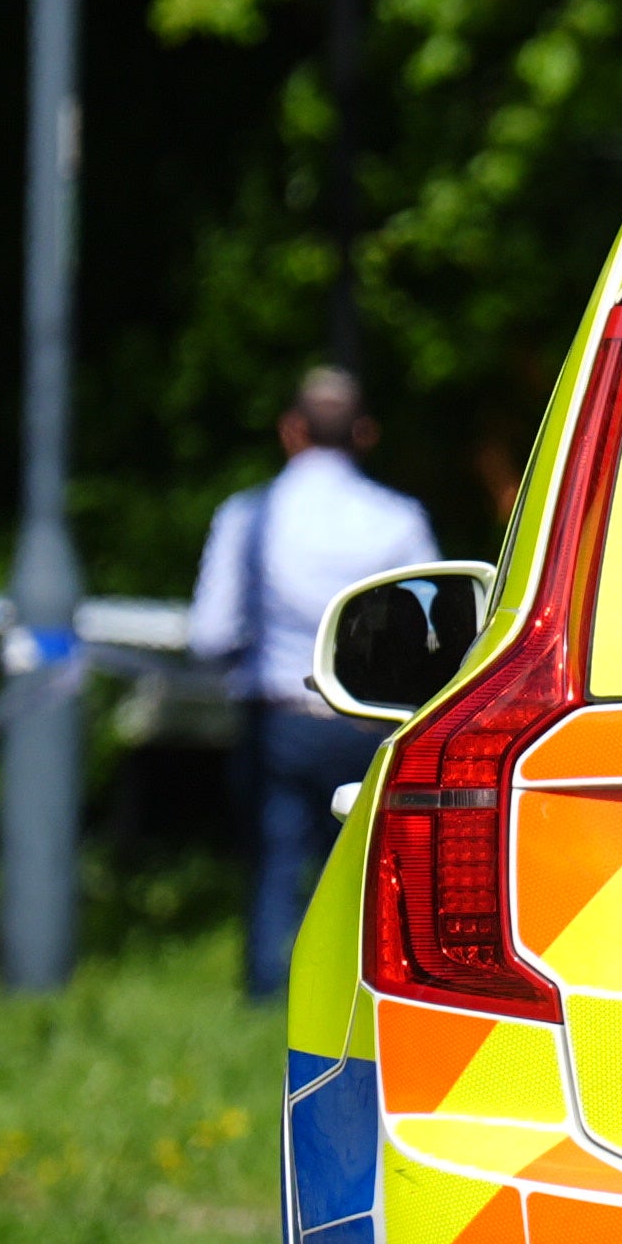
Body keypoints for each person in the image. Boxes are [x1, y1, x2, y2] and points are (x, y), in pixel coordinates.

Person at [191, 366, 438, 998]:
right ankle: (355, 993)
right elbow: (427, 634)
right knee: (362, 871)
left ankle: (268, 993)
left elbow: (211, 636)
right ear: (365, 433)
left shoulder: (248, 516)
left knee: (274, 865)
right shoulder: (398, 519)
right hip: (363, 719)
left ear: (291, 430)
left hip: (276, 716)